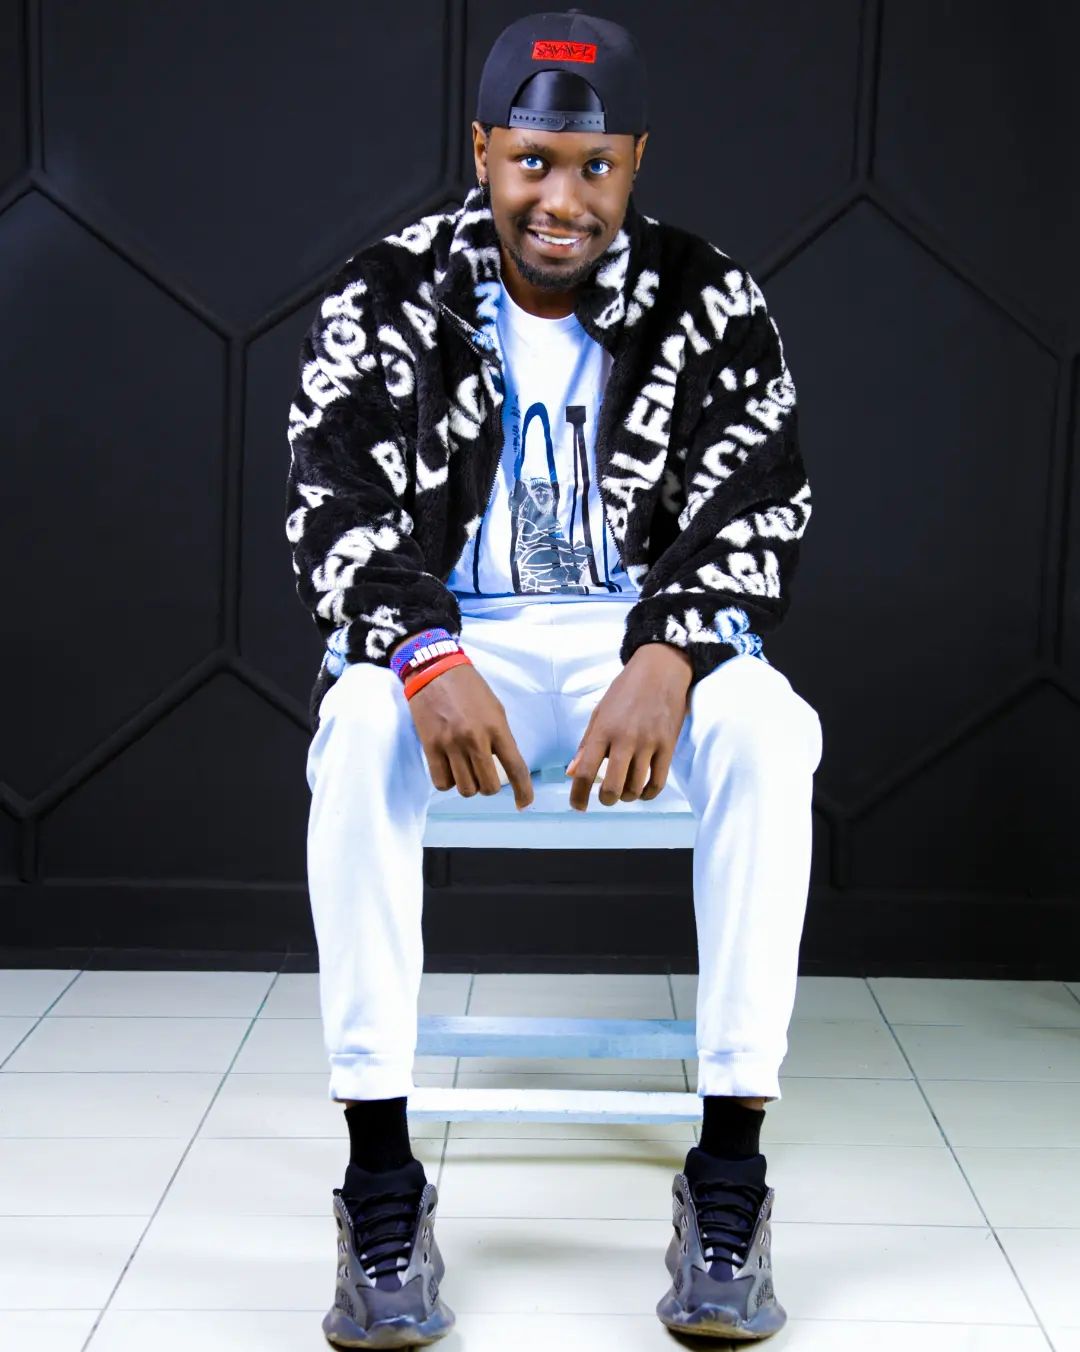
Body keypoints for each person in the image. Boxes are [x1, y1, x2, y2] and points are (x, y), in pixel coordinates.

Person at [286, 10, 821, 1346]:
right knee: (355, 730)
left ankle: (730, 1178)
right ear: (482, 150)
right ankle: (380, 1182)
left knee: (769, 730)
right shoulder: (386, 291)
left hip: (639, 636)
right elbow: (330, 496)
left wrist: (670, 649)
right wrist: (421, 650)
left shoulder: (708, 296)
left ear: (636, 160)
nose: (561, 201)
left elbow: (758, 498)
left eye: (593, 167)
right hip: (451, 635)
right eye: (531, 162)